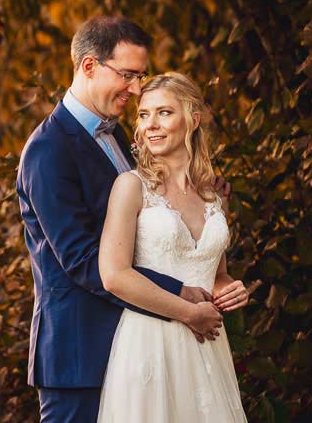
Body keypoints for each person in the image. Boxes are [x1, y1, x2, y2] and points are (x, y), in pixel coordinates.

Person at [17, 17, 238, 423]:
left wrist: (202, 198)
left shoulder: (118, 136)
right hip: (80, 352)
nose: (135, 89)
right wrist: (180, 296)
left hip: (143, 345)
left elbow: (153, 215)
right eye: (128, 75)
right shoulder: (48, 150)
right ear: (89, 66)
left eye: (140, 77)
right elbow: (82, 260)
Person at [96, 71, 250, 421]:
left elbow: (216, 273)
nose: (151, 124)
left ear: (193, 120)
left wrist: (230, 289)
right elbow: (114, 276)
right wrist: (189, 314)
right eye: (143, 114)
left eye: (164, 112)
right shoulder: (131, 187)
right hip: (151, 343)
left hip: (207, 346)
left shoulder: (214, 195)